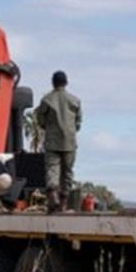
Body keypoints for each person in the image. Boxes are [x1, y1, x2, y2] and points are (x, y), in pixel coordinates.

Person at [34, 70, 82, 213]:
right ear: (66, 83)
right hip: (69, 142)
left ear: (53, 82)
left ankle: (53, 195)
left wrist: (48, 127)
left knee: (52, 169)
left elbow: (40, 119)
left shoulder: (47, 100)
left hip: (52, 141)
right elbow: (78, 122)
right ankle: (63, 202)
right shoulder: (75, 100)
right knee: (67, 172)